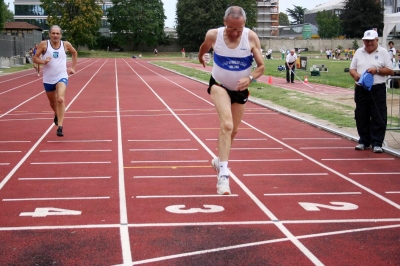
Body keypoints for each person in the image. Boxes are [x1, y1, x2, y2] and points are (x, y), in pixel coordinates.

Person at [198, 6, 265, 195]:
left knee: (233, 130)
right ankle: (223, 177)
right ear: (224, 22)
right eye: (231, 28)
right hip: (219, 84)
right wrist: (200, 56)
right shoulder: (214, 35)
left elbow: (261, 66)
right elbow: (204, 47)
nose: (235, 33)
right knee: (226, 125)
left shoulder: (251, 37)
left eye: (239, 29)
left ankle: (219, 161)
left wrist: (250, 78)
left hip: (240, 90)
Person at [349, 29, 393, 153]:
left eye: (371, 41)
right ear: (363, 41)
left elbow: (390, 71)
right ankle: (364, 140)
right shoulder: (358, 52)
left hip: (377, 88)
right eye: (366, 41)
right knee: (361, 115)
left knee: (378, 115)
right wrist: (355, 75)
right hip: (361, 88)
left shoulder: (383, 52)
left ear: (376, 40)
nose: (368, 44)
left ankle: (377, 142)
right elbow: (351, 69)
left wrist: (377, 70)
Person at [32, 25, 78, 137]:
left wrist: (73, 68)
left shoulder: (65, 44)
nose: (55, 35)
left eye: (57, 33)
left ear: (61, 35)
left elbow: (74, 53)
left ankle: (60, 127)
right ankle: (56, 114)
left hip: (62, 76)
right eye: (53, 33)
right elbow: (35, 58)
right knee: (53, 103)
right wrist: (44, 62)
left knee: (60, 99)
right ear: (50, 34)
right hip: (48, 79)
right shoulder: (44, 44)